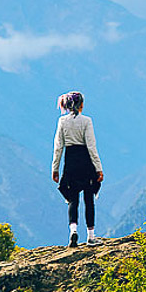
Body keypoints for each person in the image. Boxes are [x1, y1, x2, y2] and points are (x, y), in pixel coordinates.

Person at [51, 90, 104, 247]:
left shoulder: (62, 122)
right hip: (85, 160)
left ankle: (73, 231)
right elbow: (92, 146)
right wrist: (98, 168)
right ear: (81, 105)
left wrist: (55, 169)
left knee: (73, 199)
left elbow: (58, 146)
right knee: (89, 198)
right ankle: (91, 236)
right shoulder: (86, 121)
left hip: (70, 161)